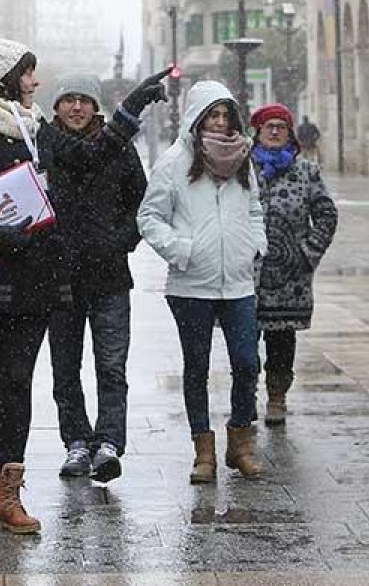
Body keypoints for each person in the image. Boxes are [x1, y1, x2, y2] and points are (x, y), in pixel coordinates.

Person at [0, 33, 169, 534]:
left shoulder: (36, 126)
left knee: (18, 380)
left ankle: (9, 489)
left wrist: (132, 107)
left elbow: (88, 156)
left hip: (37, 276)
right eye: (27, 73)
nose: (34, 82)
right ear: (4, 76)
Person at [137, 80, 267, 485]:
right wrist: (182, 250)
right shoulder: (175, 162)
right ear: (197, 117)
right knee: (196, 369)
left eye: (226, 114)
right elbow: (149, 218)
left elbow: (255, 209)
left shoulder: (243, 158)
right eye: (213, 114)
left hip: (238, 284)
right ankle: (203, 452)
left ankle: (241, 444)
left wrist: (255, 246)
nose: (220, 121)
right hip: (191, 285)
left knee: (248, 363)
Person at [45, 74, 147, 483]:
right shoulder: (43, 147)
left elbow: (142, 201)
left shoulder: (118, 147)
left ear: (96, 106)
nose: (75, 108)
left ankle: (108, 443)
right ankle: (76, 442)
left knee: (111, 366)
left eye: (83, 100)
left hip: (108, 275)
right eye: (67, 100)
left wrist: (120, 240)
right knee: (65, 368)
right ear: (56, 108)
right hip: (58, 278)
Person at [249, 103, 338, 426]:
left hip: (290, 279)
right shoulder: (242, 170)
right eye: (269, 126)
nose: (274, 131)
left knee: (281, 344)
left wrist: (307, 252)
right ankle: (245, 400)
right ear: (257, 133)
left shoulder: (306, 171)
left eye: (281, 127)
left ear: (290, 134)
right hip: (246, 277)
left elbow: (327, 214)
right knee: (244, 347)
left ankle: (277, 397)